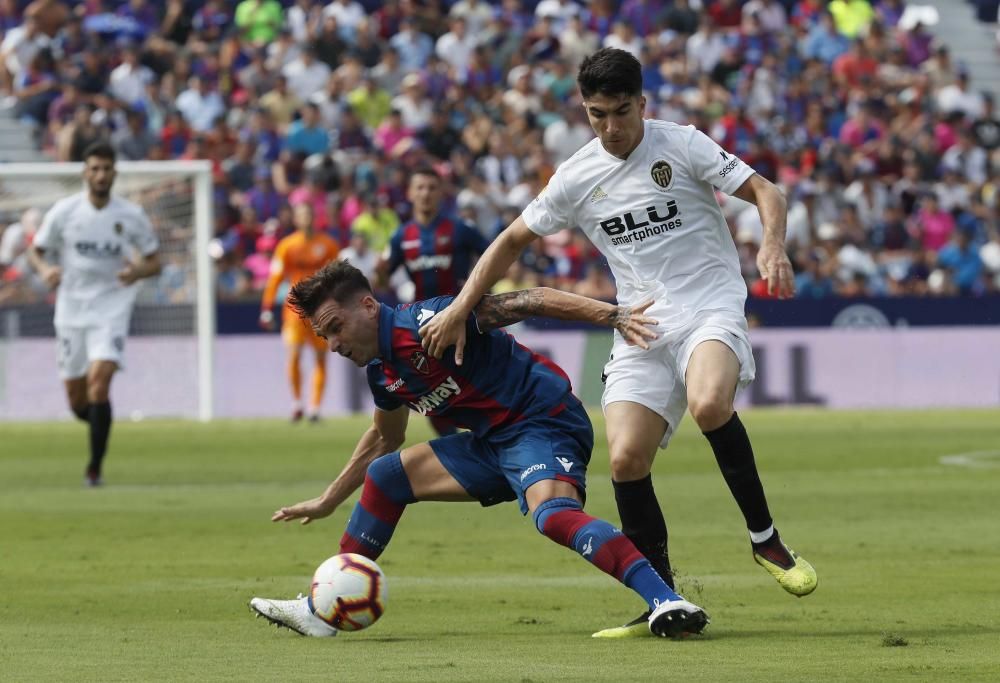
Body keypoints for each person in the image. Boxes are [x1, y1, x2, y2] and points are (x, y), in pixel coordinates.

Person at [419, 48, 817, 637]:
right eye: (596, 114)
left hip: (709, 301)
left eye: (621, 112)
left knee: (710, 404)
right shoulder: (577, 176)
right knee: (626, 457)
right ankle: (662, 599)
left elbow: (768, 193)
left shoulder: (681, 143)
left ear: (643, 105)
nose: (610, 127)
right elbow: (509, 242)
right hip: (638, 321)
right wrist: (458, 307)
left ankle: (766, 540)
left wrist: (772, 245)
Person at [249, 260, 708, 638]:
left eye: (335, 328)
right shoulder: (383, 373)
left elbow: (534, 299)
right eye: (323, 337)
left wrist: (614, 315)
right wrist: (331, 499)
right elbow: (385, 438)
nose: (332, 346)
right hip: (492, 444)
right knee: (387, 477)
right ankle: (322, 611)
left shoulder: (427, 324)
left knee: (553, 515)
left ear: (368, 306)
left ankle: (666, 600)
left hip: (541, 421)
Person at [26, 142, 161, 486]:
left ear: (115, 172)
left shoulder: (130, 215)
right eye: (95, 169)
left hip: (112, 307)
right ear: (85, 173)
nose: (101, 175)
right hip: (71, 309)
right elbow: (36, 251)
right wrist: (44, 271)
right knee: (78, 400)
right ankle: (102, 425)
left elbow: (155, 261)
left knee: (99, 385)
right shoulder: (64, 211)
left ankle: (94, 468)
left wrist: (136, 273)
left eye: (106, 169)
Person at [377, 166, 490, 436]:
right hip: (420, 329)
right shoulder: (401, 236)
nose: (426, 193)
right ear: (410, 193)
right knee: (430, 392)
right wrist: (379, 270)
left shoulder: (460, 229)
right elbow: (382, 281)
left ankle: (487, 437)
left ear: (441, 193)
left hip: (460, 320)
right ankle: (455, 445)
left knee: (475, 384)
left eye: (431, 187)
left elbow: (493, 258)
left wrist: (475, 291)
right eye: (420, 187)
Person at [260, 203, 340, 422]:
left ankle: (315, 408)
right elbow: (275, 277)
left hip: (321, 309)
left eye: (309, 214)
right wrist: (266, 308)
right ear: (296, 219)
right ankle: (297, 404)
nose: (306, 219)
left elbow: (339, 277)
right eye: (302, 215)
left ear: (315, 217)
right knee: (294, 354)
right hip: (295, 310)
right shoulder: (287, 246)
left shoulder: (328, 245)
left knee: (321, 358)